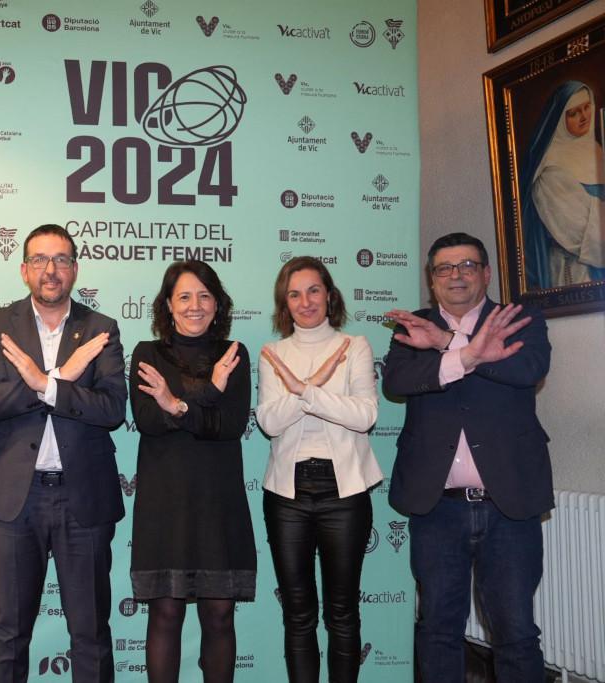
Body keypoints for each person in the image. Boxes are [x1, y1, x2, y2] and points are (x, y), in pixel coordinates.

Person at [383, 232, 552, 683]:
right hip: (438, 508)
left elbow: (528, 369)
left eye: (467, 265)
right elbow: (399, 381)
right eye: (444, 268)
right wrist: (464, 351)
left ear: (486, 273)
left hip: (508, 505)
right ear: (432, 279)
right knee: (438, 629)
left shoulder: (519, 319)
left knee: (516, 633)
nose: (455, 275)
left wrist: (449, 341)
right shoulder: (413, 327)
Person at [0, 224, 127, 683]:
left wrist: (45, 384)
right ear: (24, 270)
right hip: (15, 499)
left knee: (90, 632)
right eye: (39, 259)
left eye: (60, 259)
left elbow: (112, 409)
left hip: (83, 498)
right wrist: (58, 379)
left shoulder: (101, 329)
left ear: (75, 268)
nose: (50, 269)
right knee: (9, 630)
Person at [129, 260, 255, 683]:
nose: (194, 305)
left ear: (217, 304)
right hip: (165, 500)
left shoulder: (233, 354)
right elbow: (149, 420)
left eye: (204, 296)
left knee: (219, 613)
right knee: (165, 612)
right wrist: (209, 392)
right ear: (168, 304)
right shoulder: (147, 354)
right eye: (184, 296)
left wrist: (177, 405)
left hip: (218, 500)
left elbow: (229, 426)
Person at [256, 256, 381, 683]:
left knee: (342, 611)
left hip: (344, 493)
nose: (305, 301)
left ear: (329, 294)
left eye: (313, 290)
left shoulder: (354, 346)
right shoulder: (273, 353)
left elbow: (364, 416)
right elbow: (269, 422)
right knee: (298, 613)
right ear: (284, 302)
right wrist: (311, 389)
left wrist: (304, 391)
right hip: (287, 495)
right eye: (294, 294)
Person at [521, 80, 605, 289]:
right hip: (577, 272)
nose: (584, 116)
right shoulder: (550, 169)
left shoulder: (596, 149)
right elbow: (581, 231)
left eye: (587, 107)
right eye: (573, 113)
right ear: (559, 119)